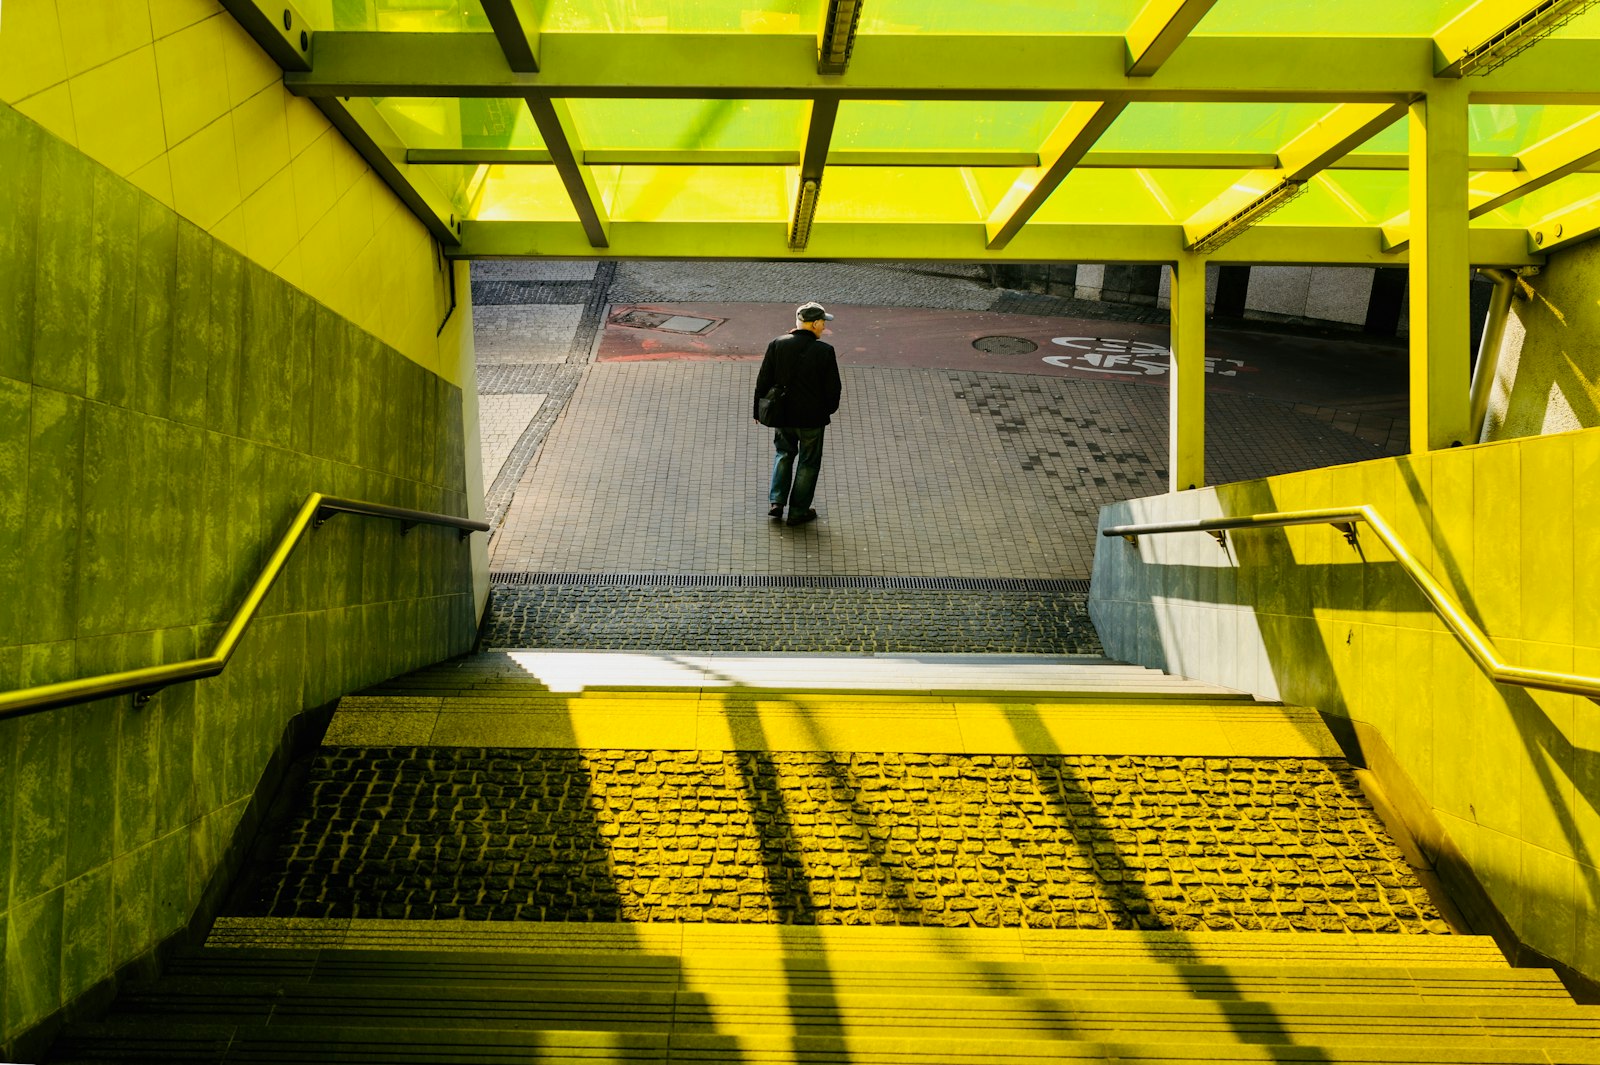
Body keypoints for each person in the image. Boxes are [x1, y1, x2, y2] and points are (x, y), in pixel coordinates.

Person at [753, 301, 842, 527]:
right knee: (808, 463)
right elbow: (833, 389)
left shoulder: (777, 344)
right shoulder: (825, 351)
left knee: (783, 453)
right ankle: (798, 511)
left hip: (783, 415)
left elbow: (763, 380)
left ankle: (777, 502)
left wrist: (758, 410)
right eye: (822, 323)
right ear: (814, 324)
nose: (824, 327)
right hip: (812, 419)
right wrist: (827, 409)